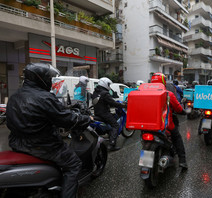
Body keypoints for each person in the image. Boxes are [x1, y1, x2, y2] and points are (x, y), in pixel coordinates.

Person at [6, 63, 92, 198]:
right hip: (44, 147)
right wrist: (86, 119)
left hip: (17, 144)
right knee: (74, 164)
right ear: (40, 78)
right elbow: (66, 119)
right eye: (49, 78)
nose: (50, 81)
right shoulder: (44, 98)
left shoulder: (15, 96)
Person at [151, 73, 188, 169]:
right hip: (165, 125)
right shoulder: (168, 94)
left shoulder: (145, 93)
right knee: (177, 137)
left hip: (147, 125)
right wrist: (184, 112)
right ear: (163, 82)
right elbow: (178, 109)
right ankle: (182, 161)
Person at [92, 77, 127, 151]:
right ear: (105, 84)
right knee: (115, 125)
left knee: (113, 119)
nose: (109, 86)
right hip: (104, 114)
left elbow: (102, 102)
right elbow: (113, 102)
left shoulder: (96, 92)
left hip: (97, 113)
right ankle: (112, 144)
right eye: (109, 84)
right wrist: (124, 105)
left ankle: (110, 134)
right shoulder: (105, 93)